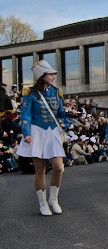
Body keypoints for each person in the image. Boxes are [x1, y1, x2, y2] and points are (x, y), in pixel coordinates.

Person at [16, 60, 70, 216]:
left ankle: (53, 199)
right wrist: (26, 133)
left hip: (52, 132)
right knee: (40, 169)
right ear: (42, 76)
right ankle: (42, 203)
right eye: (51, 74)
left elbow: (60, 113)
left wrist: (65, 122)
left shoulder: (56, 92)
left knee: (59, 168)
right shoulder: (30, 94)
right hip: (37, 132)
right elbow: (25, 115)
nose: (53, 76)